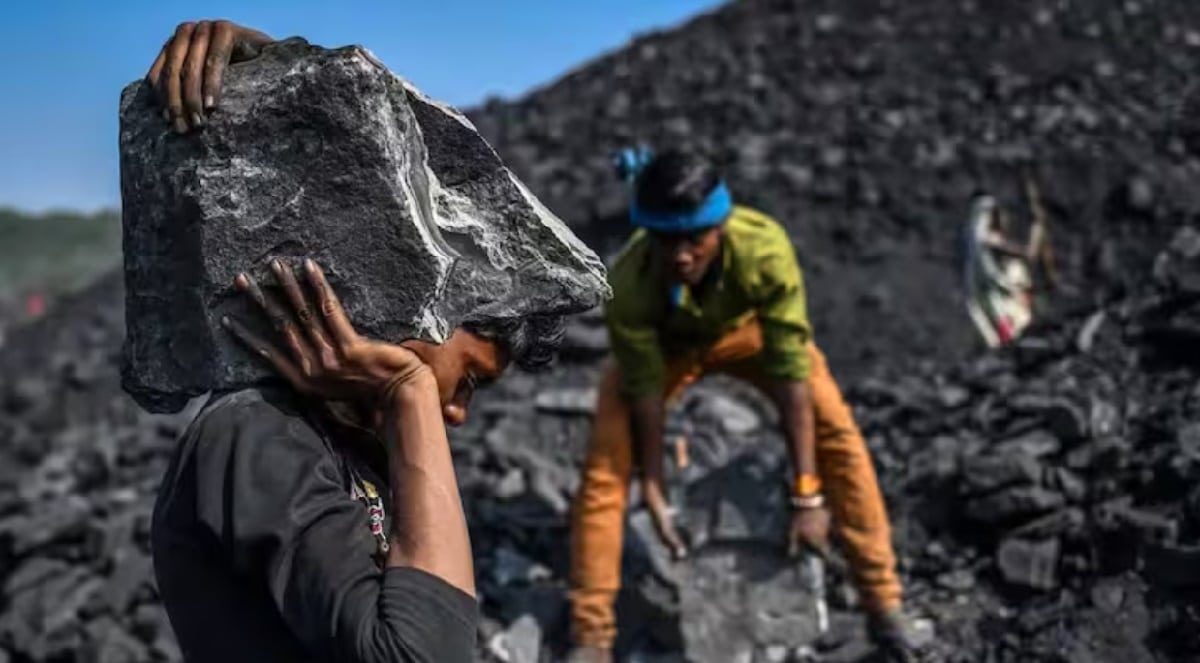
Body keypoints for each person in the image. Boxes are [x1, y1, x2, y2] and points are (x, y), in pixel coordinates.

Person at [142, 21, 601, 662]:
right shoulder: (257, 433)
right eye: (468, 378)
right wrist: (410, 391)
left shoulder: (347, 438)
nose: (458, 412)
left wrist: (281, 62)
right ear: (419, 305)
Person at [567, 149, 922, 662]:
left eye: (696, 238)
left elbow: (791, 370)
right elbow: (644, 390)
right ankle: (592, 638)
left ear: (721, 224)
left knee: (837, 432)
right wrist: (655, 486)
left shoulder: (764, 250)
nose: (682, 255)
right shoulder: (628, 283)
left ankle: (884, 605)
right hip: (668, 348)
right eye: (667, 240)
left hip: (745, 335)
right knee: (605, 470)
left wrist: (807, 496)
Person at [962, 180, 1053, 348]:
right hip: (994, 293)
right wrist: (1036, 230)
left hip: (989, 292)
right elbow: (1028, 253)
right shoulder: (983, 238)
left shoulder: (974, 239)